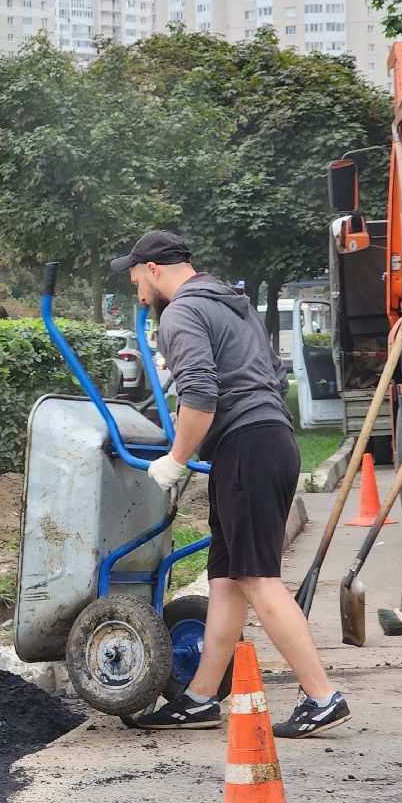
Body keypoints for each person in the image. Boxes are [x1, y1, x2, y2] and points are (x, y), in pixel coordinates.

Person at [111, 230, 350, 739]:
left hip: (247, 446)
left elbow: (199, 396)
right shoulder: (231, 303)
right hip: (267, 441)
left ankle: (322, 696)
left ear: (154, 269)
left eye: (135, 279)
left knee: (257, 577)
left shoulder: (180, 313)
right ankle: (199, 698)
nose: (136, 291)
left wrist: (174, 462)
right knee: (226, 577)